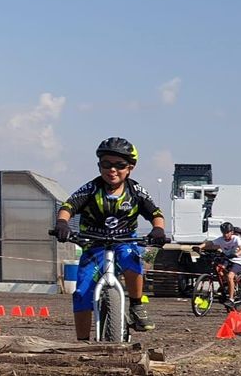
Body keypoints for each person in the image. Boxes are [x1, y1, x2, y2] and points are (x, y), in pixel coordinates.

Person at [54, 137, 167, 339]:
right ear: (99, 166)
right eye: (106, 164)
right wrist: (62, 223)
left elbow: (156, 214)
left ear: (130, 168)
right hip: (94, 244)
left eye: (119, 165)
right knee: (81, 293)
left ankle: (137, 305)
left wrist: (158, 230)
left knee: (131, 260)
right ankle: (81, 342)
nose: (112, 170)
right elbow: (68, 207)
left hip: (125, 242)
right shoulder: (91, 189)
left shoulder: (136, 191)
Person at [197, 222, 241, 308]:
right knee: (218, 269)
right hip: (228, 258)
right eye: (223, 232)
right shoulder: (221, 239)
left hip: (238, 260)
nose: (225, 234)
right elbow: (209, 243)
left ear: (231, 232)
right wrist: (199, 247)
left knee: (230, 276)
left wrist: (237, 254)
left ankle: (231, 299)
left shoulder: (236, 239)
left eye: (227, 232)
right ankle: (226, 285)